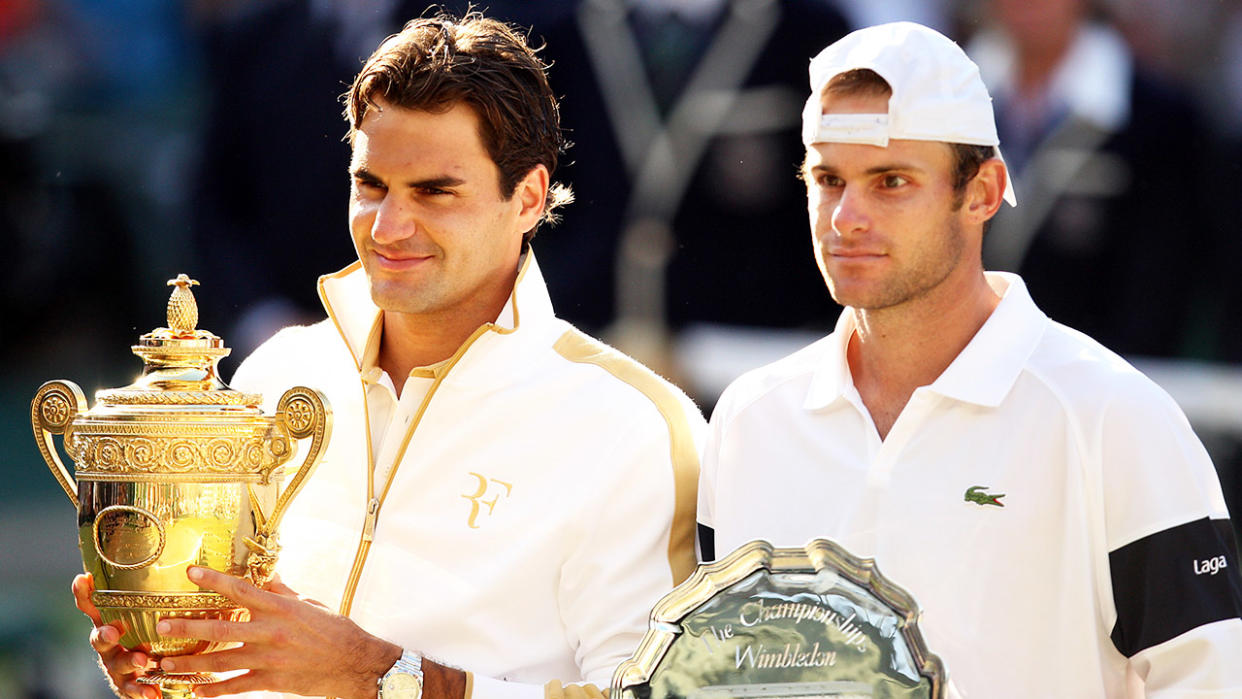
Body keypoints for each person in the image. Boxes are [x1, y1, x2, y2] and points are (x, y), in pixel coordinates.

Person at [74, 11, 704, 699]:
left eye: (435, 191)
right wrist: (168, 670)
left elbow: (652, 693)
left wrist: (387, 678)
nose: (389, 227)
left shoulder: (634, 426)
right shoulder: (272, 376)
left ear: (528, 197)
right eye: (370, 186)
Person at [696, 22, 1242, 697]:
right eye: (828, 179)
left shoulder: (1115, 419)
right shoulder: (749, 419)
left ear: (983, 192)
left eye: (890, 181)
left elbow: (1211, 679)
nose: (846, 217)